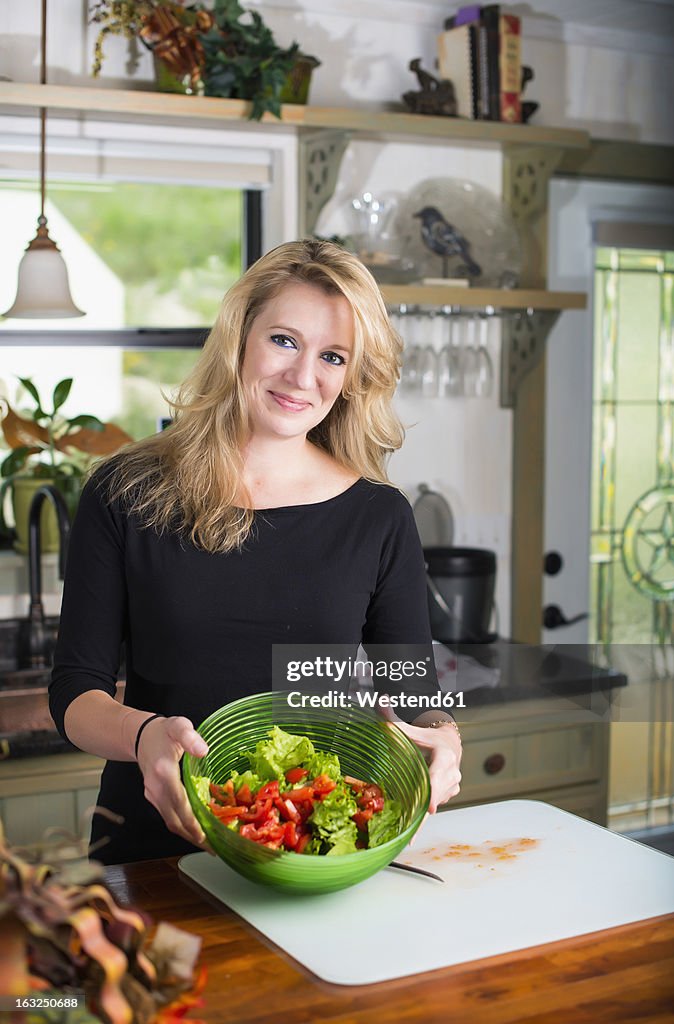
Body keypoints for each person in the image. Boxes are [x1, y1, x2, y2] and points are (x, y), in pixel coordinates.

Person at [49, 239, 463, 865]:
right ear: (240, 337)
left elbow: (412, 698)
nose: (303, 377)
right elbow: (76, 693)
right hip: (156, 848)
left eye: (333, 355)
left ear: (352, 377)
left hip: (310, 848)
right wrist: (143, 736)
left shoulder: (379, 516)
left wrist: (446, 741)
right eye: (285, 341)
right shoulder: (126, 491)